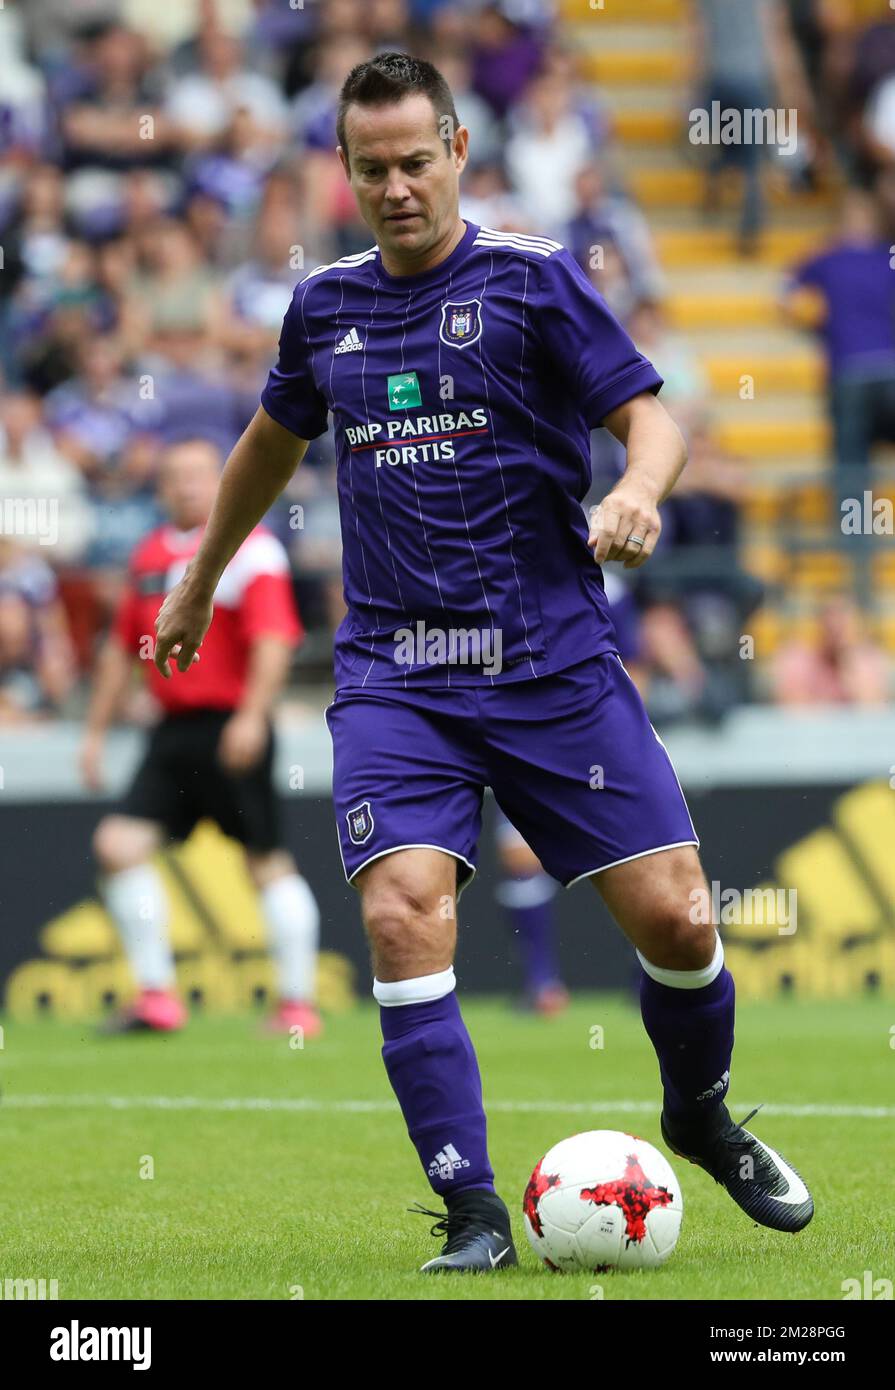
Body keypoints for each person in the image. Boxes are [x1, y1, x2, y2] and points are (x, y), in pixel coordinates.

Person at [153, 52, 814, 1273]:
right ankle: (469, 1215)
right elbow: (264, 443)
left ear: (458, 150)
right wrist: (197, 580)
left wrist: (637, 489)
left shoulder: (534, 283)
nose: (396, 187)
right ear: (344, 173)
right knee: (406, 915)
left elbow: (652, 418)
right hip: (397, 675)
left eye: (416, 161)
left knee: (676, 918)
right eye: (371, 169)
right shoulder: (325, 306)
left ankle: (700, 1114)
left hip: (552, 663)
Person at [80, 436, 322, 1037]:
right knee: (117, 846)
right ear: (161, 487)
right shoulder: (148, 556)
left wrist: (251, 716)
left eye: (197, 475)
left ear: (219, 480)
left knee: (263, 862)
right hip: (171, 733)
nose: (186, 486)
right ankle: (158, 997)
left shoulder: (254, 551)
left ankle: (296, 1005)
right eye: (174, 476)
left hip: (230, 724)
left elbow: (273, 640)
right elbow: (120, 650)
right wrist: (95, 732)